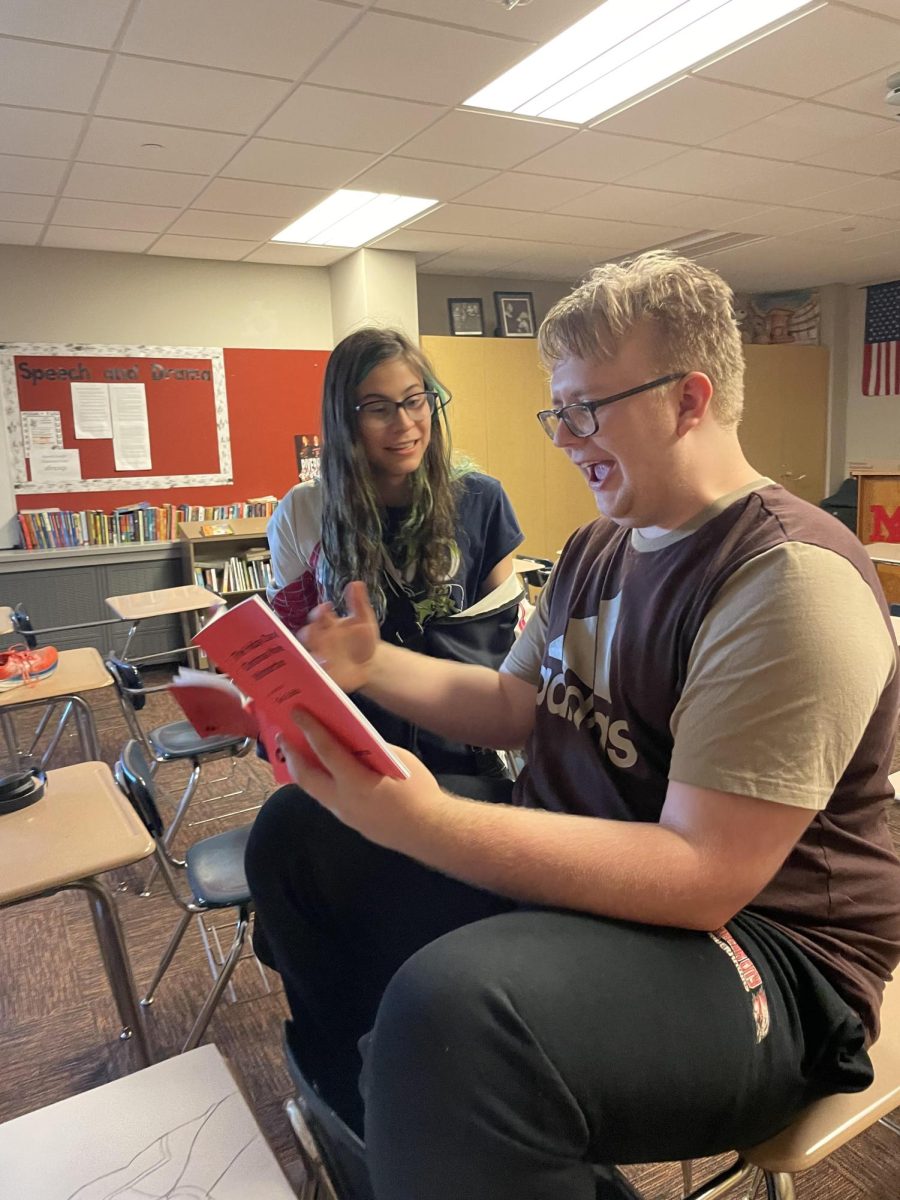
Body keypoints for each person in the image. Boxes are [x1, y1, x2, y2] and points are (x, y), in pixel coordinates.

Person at [245, 254, 900, 1200]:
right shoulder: (601, 545)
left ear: (689, 400)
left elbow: (703, 876)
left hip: (767, 956)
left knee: (457, 1024)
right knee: (303, 839)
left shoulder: (787, 579)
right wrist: (367, 664)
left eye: (587, 409)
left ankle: (446, 1125)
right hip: (601, 886)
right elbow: (515, 704)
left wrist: (429, 823)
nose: (563, 438)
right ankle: (388, 1139)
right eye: (558, 412)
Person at [265, 325, 524, 776]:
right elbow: (293, 650)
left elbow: (501, 647)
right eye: (378, 408)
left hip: (461, 749)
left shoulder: (481, 501)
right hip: (355, 749)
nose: (404, 424)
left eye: (414, 400)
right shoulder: (304, 511)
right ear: (344, 418)